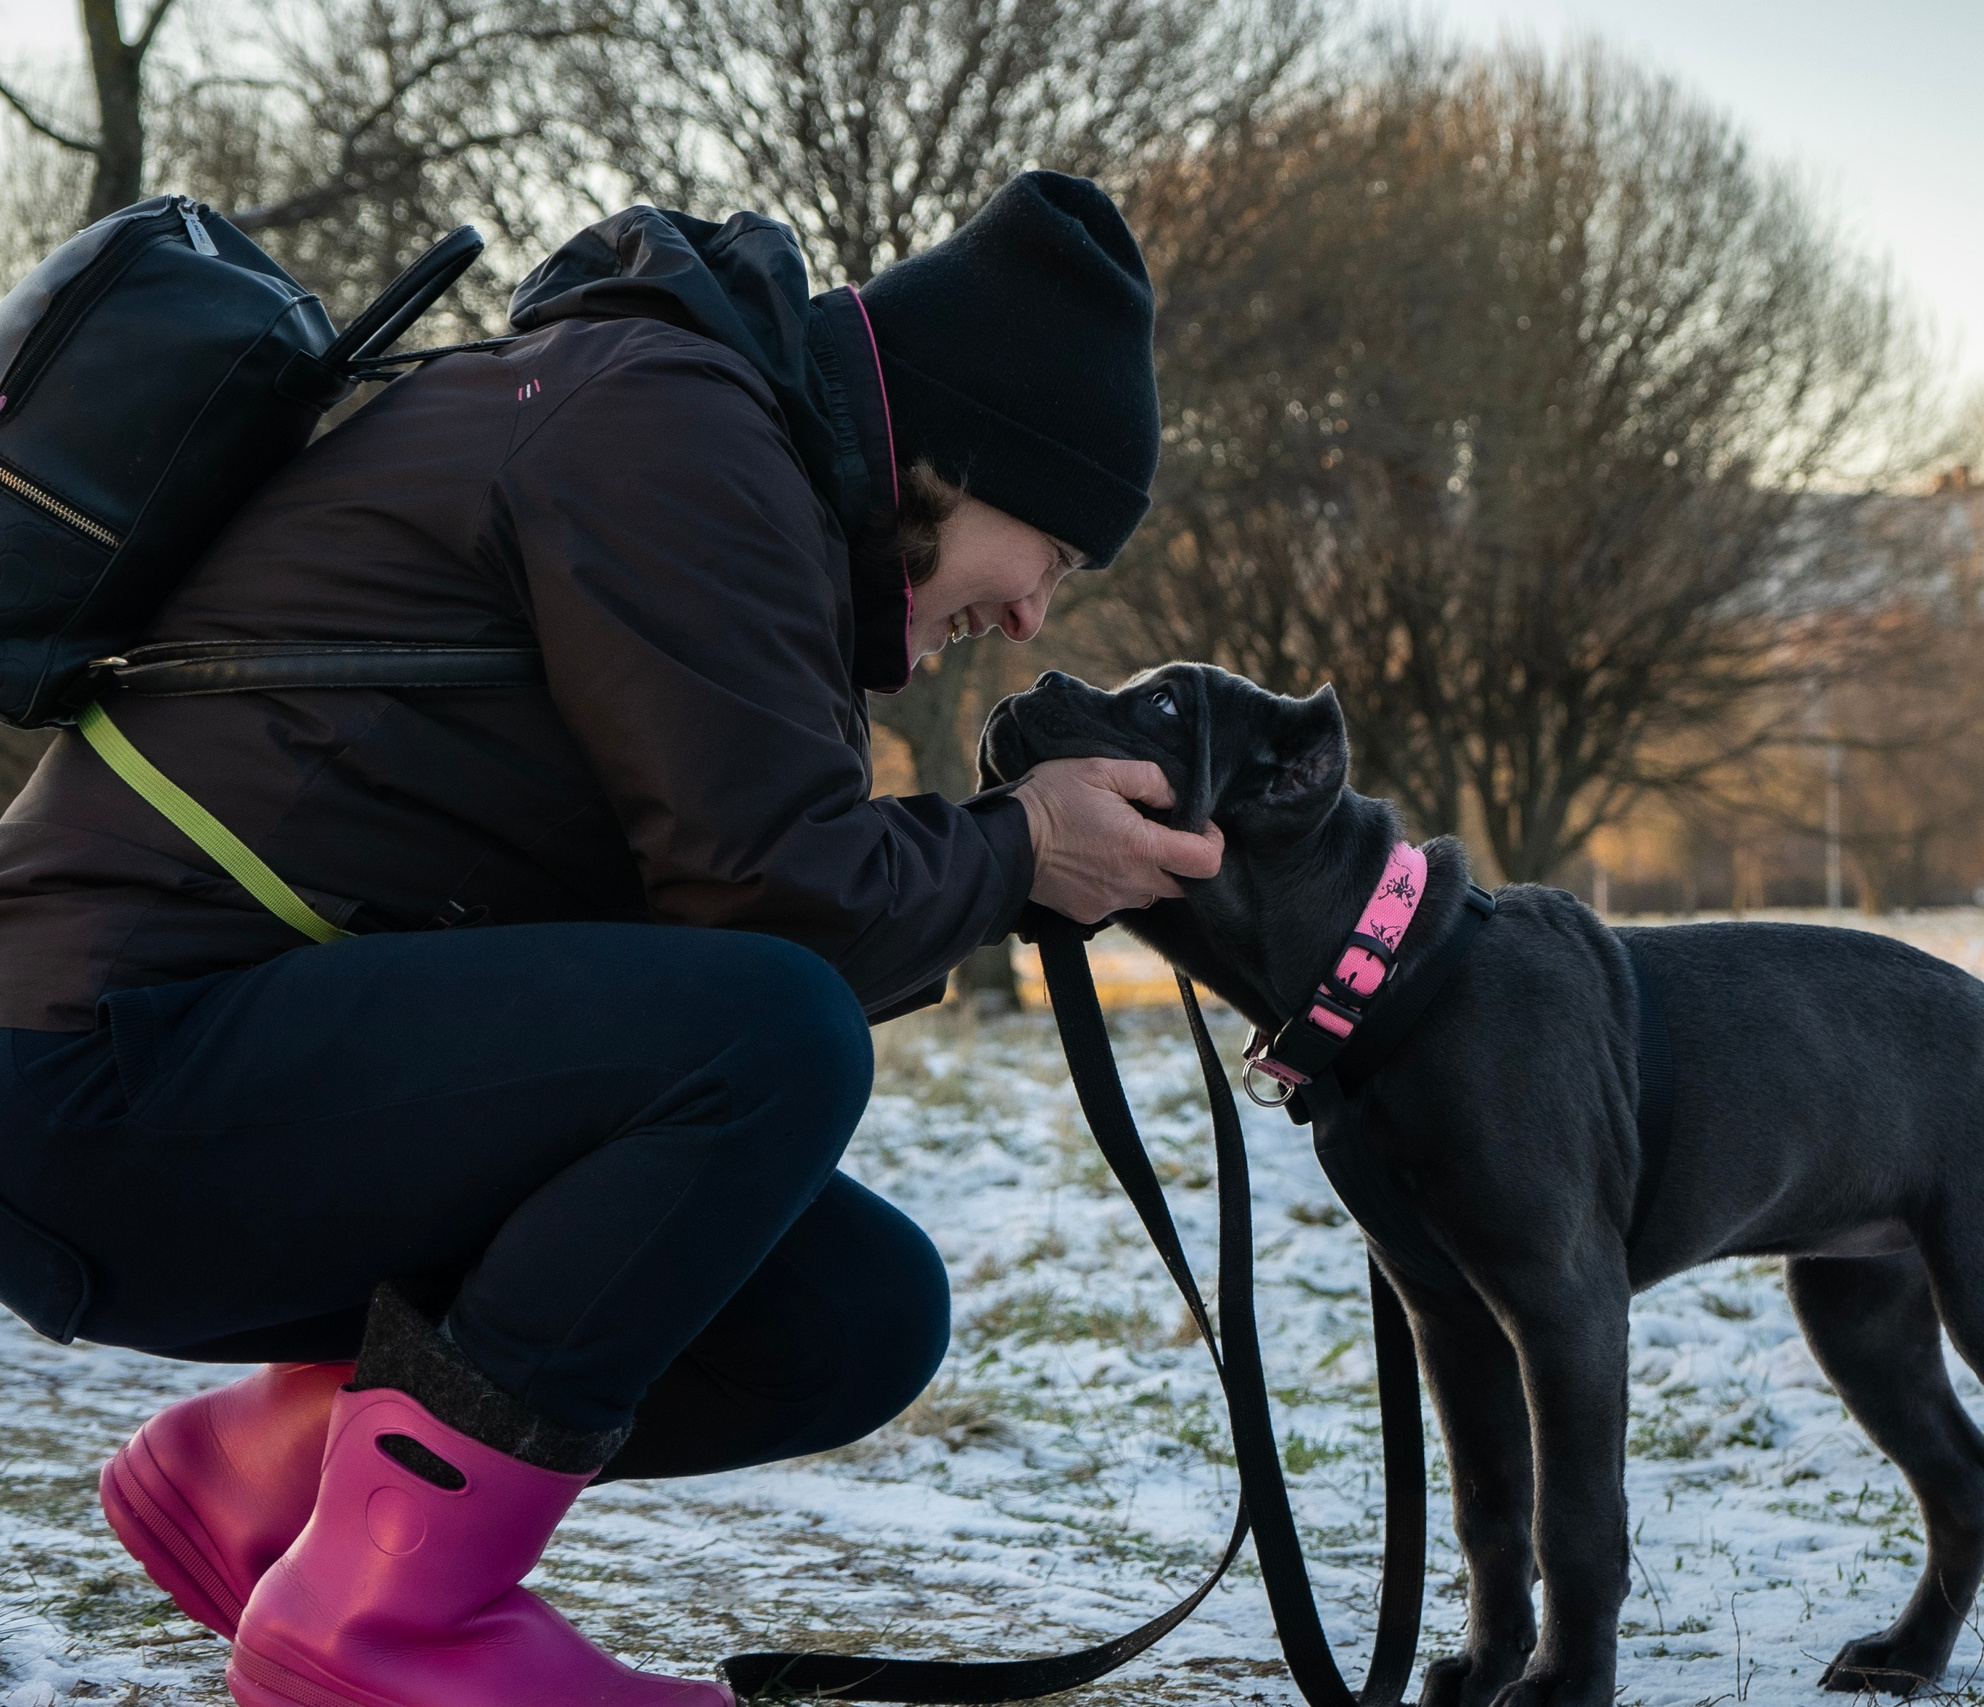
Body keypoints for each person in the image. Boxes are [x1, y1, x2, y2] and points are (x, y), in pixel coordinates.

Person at [0, 173, 1221, 1707]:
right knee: (769, 1034)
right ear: (962, 456)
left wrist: (1011, 862)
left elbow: (706, 906)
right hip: (100, 1074)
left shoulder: (692, 441)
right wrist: (1025, 845)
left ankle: (263, 1477)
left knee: (848, 1313)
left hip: (193, 1075)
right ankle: (389, 1616)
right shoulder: (675, 432)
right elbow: (779, 904)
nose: (1035, 613)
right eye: (1057, 550)